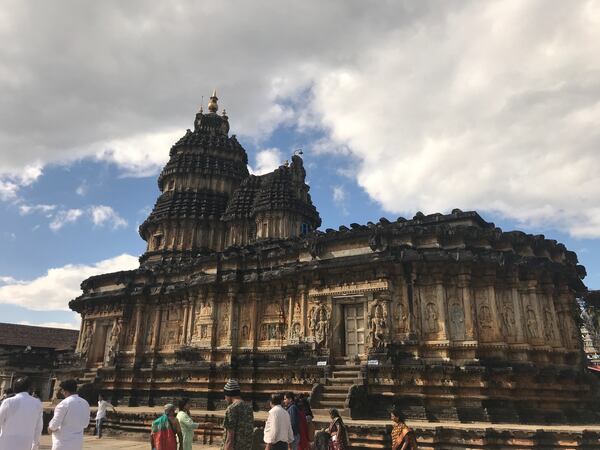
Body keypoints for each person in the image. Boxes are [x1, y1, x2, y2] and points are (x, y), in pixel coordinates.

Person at [0, 376, 43, 450]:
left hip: (6, 442)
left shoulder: (8, 402)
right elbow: (39, 427)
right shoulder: (37, 403)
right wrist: (35, 445)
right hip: (26, 442)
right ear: (29, 388)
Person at [48, 379, 91, 450]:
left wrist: (50, 428)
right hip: (77, 444)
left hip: (62, 444)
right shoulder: (85, 403)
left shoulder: (64, 404)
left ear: (65, 391)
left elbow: (54, 424)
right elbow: (86, 424)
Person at [221, 379, 254, 450]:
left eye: (225, 395)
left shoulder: (232, 409)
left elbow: (230, 437)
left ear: (229, 394)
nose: (225, 398)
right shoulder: (248, 407)